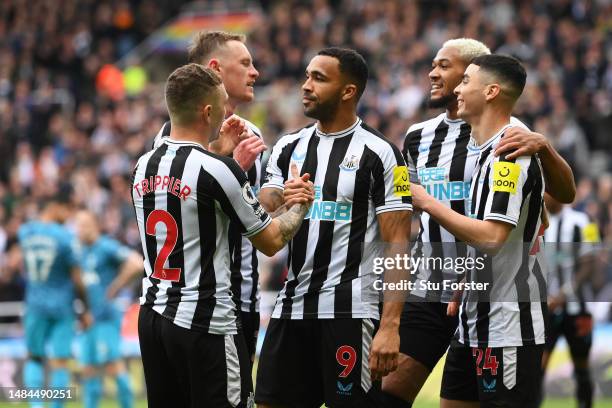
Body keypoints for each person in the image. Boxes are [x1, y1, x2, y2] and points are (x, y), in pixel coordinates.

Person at [382, 38, 576, 407]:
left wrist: (546, 147)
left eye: (448, 68)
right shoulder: (417, 137)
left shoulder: (510, 140)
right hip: (440, 288)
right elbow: (401, 212)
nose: (437, 76)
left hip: (500, 301)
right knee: (387, 390)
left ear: (483, 82)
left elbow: (548, 209)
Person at [132, 63, 313, 408]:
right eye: (223, 103)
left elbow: (190, 201)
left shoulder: (144, 164)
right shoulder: (219, 170)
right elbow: (271, 240)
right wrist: (300, 205)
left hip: (153, 316)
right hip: (206, 322)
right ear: (208, 111)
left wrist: (219, 149)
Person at [255, 47, 413, 407]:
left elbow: (398, 244)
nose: (306, 86)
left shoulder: (383, 154)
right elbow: (261, 212)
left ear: (348, 91)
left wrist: (390, 326)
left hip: (350, 312)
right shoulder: (287, 147)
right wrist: (282, 200)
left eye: (319, 78)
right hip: (291, 306)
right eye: (308, 76)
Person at [411, 54, 546, 407]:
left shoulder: (511, 153)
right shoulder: (484, 151)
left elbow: (492, 236)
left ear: (491, 91)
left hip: (508, 329)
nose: (457, 88)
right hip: (471, 323)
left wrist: (426, 201)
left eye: (466, 80)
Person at [153, 31, 267, 362]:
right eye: (245, 63)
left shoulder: (253, 134)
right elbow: (185, 210)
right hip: (189, 300)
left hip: (242, 297)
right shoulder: (168, 139)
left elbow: (257, 216)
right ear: (216, 68)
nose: (255, 72)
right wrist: (230, 166)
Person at [17, 192, 92, 408]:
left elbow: (23, 266)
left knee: (34, 357)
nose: (69, 215)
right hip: (62, 306)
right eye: (67, 208)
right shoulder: (65, 237)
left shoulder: (25, 232)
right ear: (56, 206)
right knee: (60, 361)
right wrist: (85, 309)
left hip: (34, 304)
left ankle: (36, 405)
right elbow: (78, 279)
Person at [74, 210, 143, 408]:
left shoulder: (105, 246)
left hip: (106, 317)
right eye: (77, 225)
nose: (79, 230)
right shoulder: (80, 250)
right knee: (88, 369)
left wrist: (115, 287)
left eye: (84, 225)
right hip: (88, 319)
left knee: (113, 365)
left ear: (94, 225)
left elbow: (137, 264)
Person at [540, 194, 600, 408]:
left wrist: (564, 295)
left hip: (578, 308)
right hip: (546, 308)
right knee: (538, 366)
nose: (544, 195)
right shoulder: (537, 222)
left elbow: (590, 262)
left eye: (548, 190)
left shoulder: (584, 221)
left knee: (581, 367)